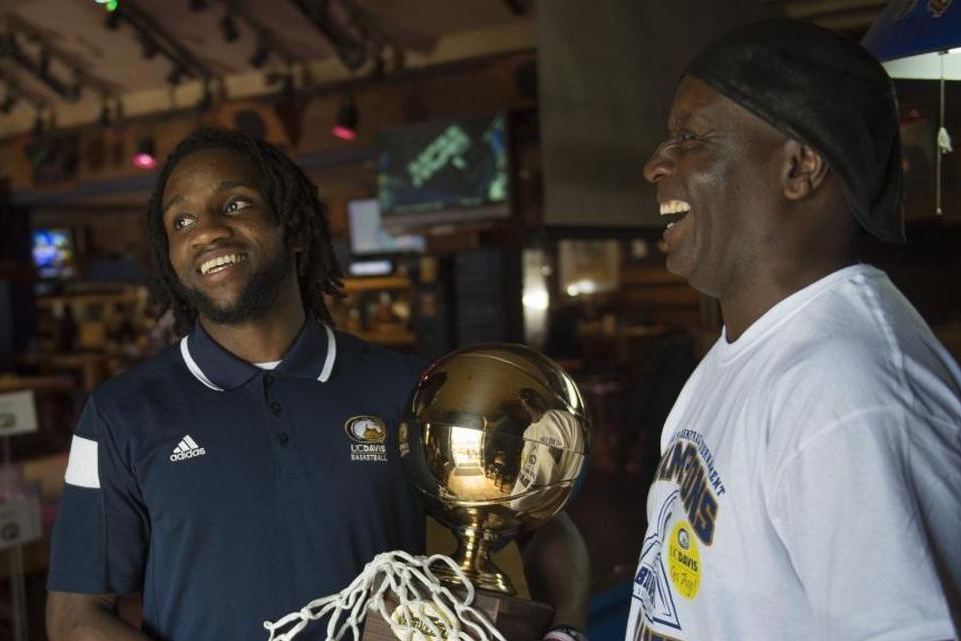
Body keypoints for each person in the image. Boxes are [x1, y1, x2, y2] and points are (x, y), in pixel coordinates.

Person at [46, 128, 590, 641]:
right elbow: (76, 619)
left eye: (235, 205)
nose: (207, 230)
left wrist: (566, 629)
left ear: (295, 229)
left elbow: (539, 520)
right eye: (181, 222)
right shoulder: (118, 413)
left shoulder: (408, 387)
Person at [627, 20, 961, 641]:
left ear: (800, 167)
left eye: (689, 137)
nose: (654, 165)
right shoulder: (745, 354)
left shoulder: (848, 393)